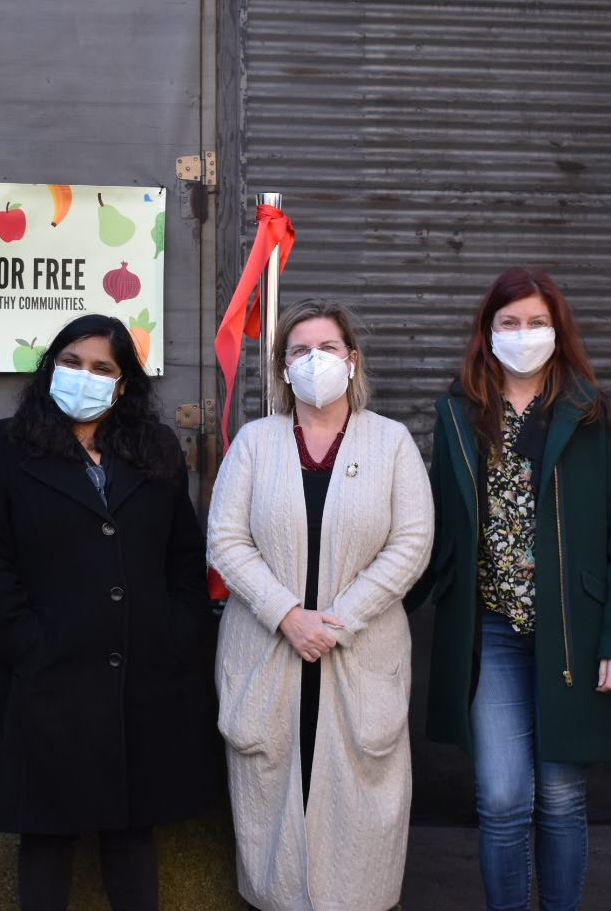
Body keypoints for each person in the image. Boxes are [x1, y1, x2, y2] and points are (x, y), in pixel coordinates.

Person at [407, 266, 611, 911]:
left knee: (562, 798)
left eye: (537, 322)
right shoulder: (458, 413)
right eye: (509, 322)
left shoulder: (590, 411)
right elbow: (436, 525)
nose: (524, 334)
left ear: (557, 330)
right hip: (490, 631)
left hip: (573, 630)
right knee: (503, 798)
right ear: (487, 332)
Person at [0, 313, 215, 911]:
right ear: (50, 368)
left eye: (102, 368)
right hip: (50, 675)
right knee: (47, 834)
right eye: (71, 362)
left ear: (122, 386)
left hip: (144, 675)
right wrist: (28, 645)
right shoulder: (1, 445)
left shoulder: (154, 448)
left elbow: (183, 553)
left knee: (132, 833)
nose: (84, 376)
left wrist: (179, 632)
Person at [208, 298, 433, 911]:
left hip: (358, 657)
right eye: (300, 351)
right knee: (271, 816)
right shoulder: (254, 443)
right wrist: (287, 615)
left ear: (352, 360)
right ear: (283, 369)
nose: (315, 361)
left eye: (328, 348)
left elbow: (412, 543)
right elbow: (225, 539)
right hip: (268, 656)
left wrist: (337, 621)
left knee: (358, 822)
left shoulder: (391, 443)